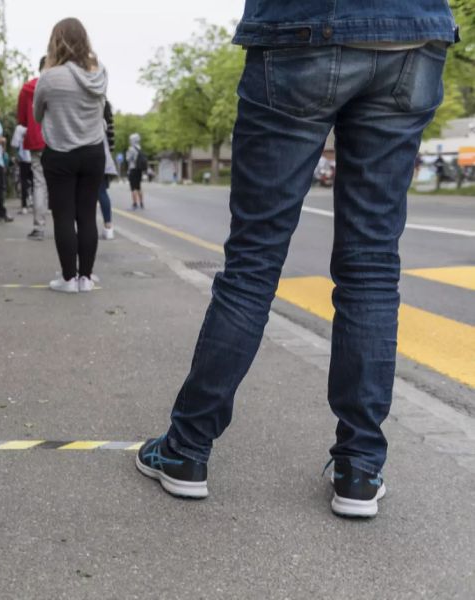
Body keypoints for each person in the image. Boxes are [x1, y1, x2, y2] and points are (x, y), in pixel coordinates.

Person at [136, 0, 457, 518]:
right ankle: (359, 466)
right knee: (372, 264)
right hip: (412, 32)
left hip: (301, 28)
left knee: (254, 260)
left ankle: (187, 449)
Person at [34, 18, 108, 293]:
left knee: (64, 215)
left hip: (60, 153)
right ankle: (86, 278)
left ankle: (67, 279)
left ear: (56, 41)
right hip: (93, 152)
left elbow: (37, 114)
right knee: (87, 214)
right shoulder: (100, 73)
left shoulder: (50, 76)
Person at [18, 57, 49, 241]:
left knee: (39, 183)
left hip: (36, 140)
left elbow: (22, 119)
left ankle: (39, 227)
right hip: (59, 141)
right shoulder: (58, 85)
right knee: (62, 183)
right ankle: (69, 227)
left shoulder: (27, 88)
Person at [98, 100, 116, 240]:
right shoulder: (106, 104)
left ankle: (84, 226)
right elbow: (111, 137)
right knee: (102, 191)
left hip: (83, 149)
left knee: (83, 193)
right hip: (102, 153)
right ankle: (108, 227)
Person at [11, 123, 33, 215]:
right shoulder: (36, 123)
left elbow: (14, 144)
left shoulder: (19, 128)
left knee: (23, 181)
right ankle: (39, 204)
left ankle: (24, 206)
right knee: (37, 181)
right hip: (36, 157)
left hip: (24, 158)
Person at [125, 133, 145, 209]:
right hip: (139, 169)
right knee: (139, 186)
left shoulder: (131, 149)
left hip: (133, 169)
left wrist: (127, 153)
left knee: (133, 187)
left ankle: (134, 204)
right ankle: (141, 203)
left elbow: (128, 159)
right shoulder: (139, 148)